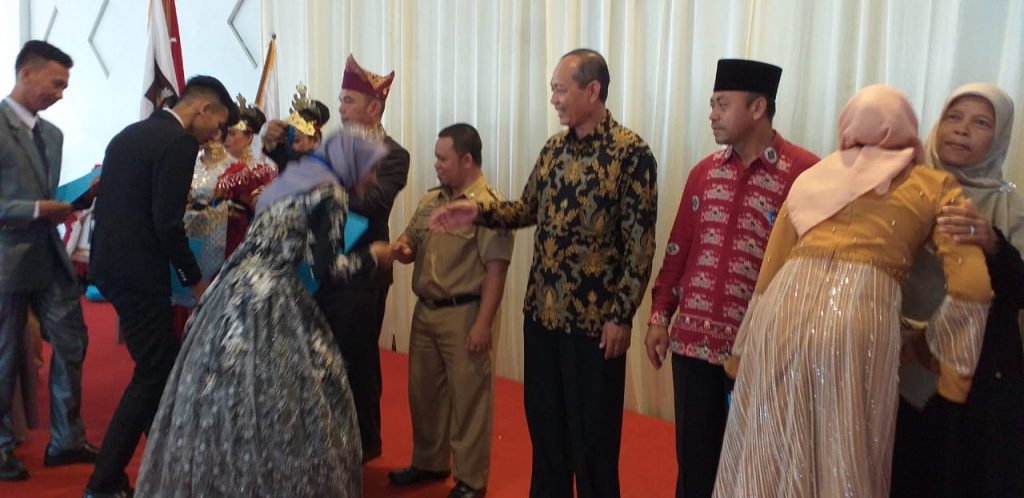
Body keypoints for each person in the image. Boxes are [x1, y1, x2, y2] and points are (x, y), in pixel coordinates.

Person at [712, 85, 993, 497]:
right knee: (846, 451)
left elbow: (769, 273)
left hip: (782, 310)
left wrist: (739, 355)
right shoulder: (934, 185)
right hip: (860, 314)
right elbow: (973, 285)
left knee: (769, 447)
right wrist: (947, 366)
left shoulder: (812, 178)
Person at [429, 48, 658, 498]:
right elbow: (526, 208)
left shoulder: (631, 154)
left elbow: (639, 247)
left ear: (592, 91)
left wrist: (621, 316)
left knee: (593, 445)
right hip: (542, 318)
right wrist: (476, 212)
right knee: (547, 437)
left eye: (560, 90)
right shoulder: (554, 150)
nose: (553, 99)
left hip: (594, 327)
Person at [135, 121, 392, 497]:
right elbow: (325, 270)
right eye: (372, 169)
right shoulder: (332, 193)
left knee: (221, 392)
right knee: (284, 399)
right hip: (273, 300)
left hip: (231, 292)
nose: (373, 180)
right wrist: (374, 257)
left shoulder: (292, 182)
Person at [643, 58, 819, 498]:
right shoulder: (704, 173)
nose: (712, 114)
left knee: (754, 469)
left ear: (758, 108)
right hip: (693, 346)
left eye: (722, 104)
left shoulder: (805, 175)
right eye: (712, 104)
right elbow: (678, 248)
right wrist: (660, 315)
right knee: (695, 468)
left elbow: (813, 267)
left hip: (759, 351)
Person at [86, 75, 239, 498]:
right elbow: (168, 224)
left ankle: (169, 465)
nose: (215, 136)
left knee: (161, 365)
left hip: (110, 266)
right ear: (204, 109)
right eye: (218, 125)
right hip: (140, 273)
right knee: (154, 370)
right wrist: (197, 283)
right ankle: (103, 482)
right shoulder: (178, 143)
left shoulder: (130, 134)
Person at [892, 83, 1024, 498]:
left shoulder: (1011, 207)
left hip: (975, 380)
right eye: (953, 117)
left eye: (981, 123)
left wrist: (993, 245)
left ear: (1000, 136)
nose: (962, 130)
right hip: (896, 364)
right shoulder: (897, 188)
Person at [388, 124, 513, 498]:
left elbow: (496, 271)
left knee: (470, 400)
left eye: (443, 159)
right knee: (423, 394)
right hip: (426, 310)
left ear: (467, 160)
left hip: (465, 313)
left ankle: (471, 480)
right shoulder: (432, 200)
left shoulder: (489, 208)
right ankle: (430, 461)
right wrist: (403, 247)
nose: (436, 165)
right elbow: (412, 237)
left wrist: (483, 324)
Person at [0, 39, 97, 482]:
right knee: (5, 358)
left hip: (50, 259)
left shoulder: (53, 135)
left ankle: (67, 440)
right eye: (56, 84)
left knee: (73, 343)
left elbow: (46, 193)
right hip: (7, 261)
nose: (60, 94)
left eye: (65, 87)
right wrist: (39, 209)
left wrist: (77, 198)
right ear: (25, 73)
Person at [317, 54, 409, 462]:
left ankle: (364, 443)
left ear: (374, 108)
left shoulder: (393, 155)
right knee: (321, 358)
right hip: (324, 269)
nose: (341, 109)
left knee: (358, 360)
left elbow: (373, 203)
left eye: (349, 101)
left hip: (365, 272)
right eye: (340, 100)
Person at [216, 94, 276, 255]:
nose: (226, 139)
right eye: (224, 133)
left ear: (249, 137)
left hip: (248, 244)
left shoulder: (261, 172)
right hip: (218, 243)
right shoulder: (217, 168)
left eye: (232, 133)